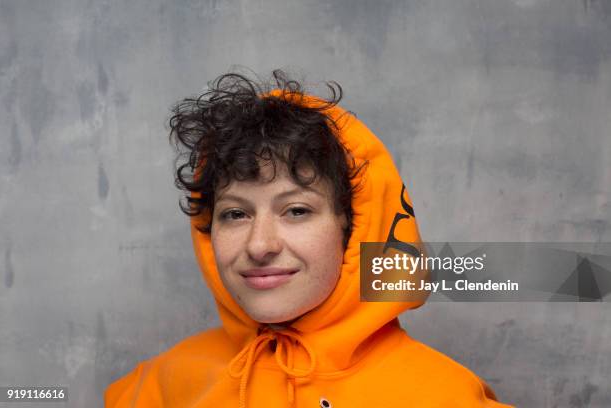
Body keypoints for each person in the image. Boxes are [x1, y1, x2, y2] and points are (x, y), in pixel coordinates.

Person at [105, 70, 512, 407]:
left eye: (296, 211)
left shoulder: (446, 396)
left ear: (352, 229)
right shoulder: (163, 385)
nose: (259, 245)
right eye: (235, 214)